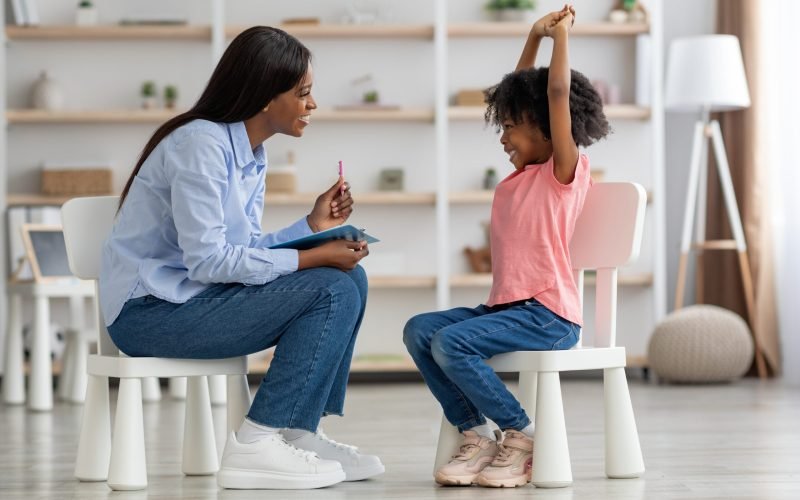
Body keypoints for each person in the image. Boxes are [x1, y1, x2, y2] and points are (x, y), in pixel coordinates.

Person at [100, 26, 384, 490]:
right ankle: (256, 443)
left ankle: (297, 432)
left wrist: (313, 228)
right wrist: (314, 259)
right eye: (304, 93)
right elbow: (210, 263)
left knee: (352, 279)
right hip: (147, 315)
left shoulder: (251, 152)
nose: (312, 105)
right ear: (266, 96)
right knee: (332, 285)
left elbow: (242, 252)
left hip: (191, 301)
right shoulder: (201, 144)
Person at [403, 4, 609, 488]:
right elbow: (521, 91)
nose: (503, 136)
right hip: (505, 310)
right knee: (419, 330)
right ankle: (476, 432)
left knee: (452, 343)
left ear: (546, 128)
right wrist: (533, 37)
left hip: (549, 316)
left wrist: (560, 38)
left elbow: (553, 92)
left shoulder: (562, 173)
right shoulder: (520, 177)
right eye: (502, 126)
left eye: (512, 127)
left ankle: (523, 435)